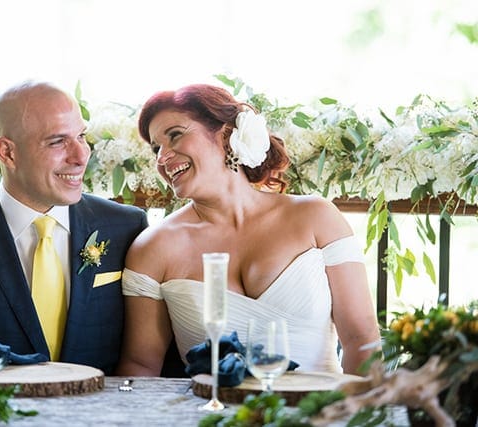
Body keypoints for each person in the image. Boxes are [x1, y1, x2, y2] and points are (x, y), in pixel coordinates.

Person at [116, 84, 380, 377]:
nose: (162, 158)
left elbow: (362, 340)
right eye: (156, 149)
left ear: (227, 134)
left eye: (175, 135)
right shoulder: (152, 249)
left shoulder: (316, 218)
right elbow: (140, 366)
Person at [0, 81, 148, 375]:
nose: (81, 156)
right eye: (57, 141)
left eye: (81, 136)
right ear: (8, 153)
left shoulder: (127, 227)